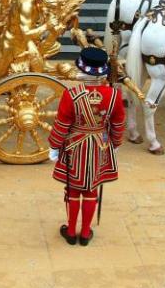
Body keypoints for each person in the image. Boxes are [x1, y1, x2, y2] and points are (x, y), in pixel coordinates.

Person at [47, 47, 125, 246]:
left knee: (73, 188)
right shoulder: (114, 96)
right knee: (92, 189)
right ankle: (86, 232)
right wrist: (115, 143)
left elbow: (62, 124)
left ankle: (71, 231)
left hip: (75, 145)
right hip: (99, 145)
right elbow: (117, 124)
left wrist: (54, 146)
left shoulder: (71, 94)